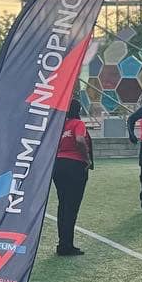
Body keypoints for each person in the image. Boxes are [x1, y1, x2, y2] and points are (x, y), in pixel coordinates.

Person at [52, 97, 93, 256]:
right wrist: (86, 159)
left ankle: (62, 242)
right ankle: (67, 245)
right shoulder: (78, 124)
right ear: (79, 110)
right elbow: (80, 140)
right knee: (72, 206)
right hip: (75, 165)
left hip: (58, 165)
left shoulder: (60, 126)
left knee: (63, 205)